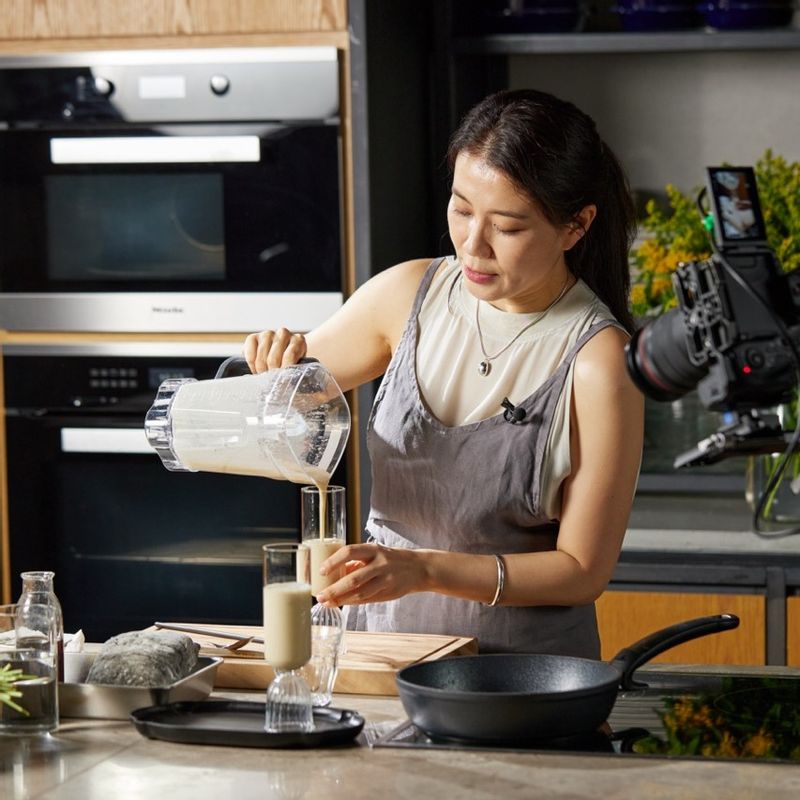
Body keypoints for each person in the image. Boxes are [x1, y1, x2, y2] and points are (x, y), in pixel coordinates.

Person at [244, 88, 644, 658]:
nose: (473, 246)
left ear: (576, 226)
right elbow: (286, 394)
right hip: (381, 661)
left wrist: (424, 569)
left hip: (520, 682)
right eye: (461, 209)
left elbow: (581, 572)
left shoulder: (600, 363)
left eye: (507, 227)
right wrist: (272, 361)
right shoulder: (408, 294)